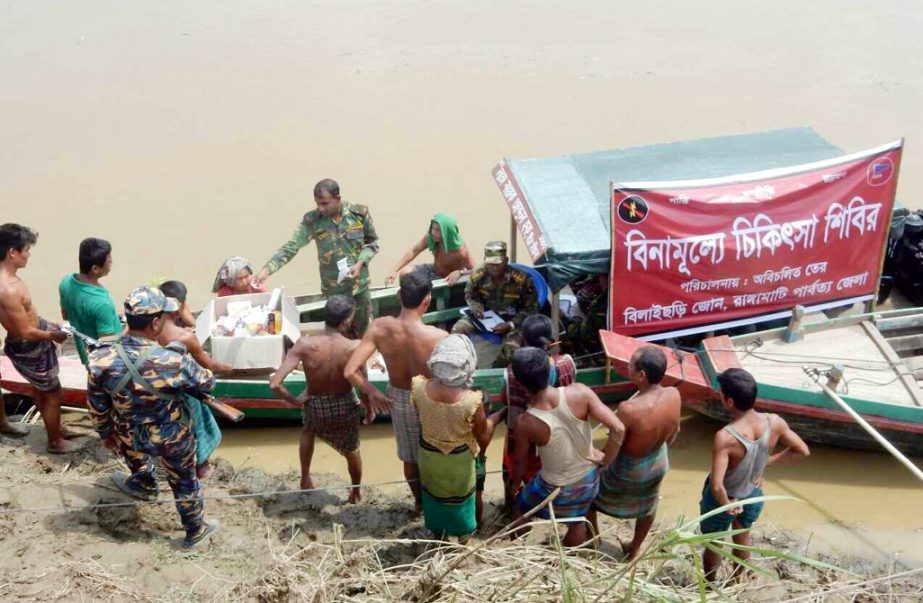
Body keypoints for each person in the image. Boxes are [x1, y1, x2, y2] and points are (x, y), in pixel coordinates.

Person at [87, 286, 219, 548]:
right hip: (171, 437)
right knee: (184, 483)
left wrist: (106, 434)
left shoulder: (100, 358)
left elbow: (97, 405)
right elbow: (208, 384)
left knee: (135, 453)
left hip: (128, 433)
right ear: (156, 322)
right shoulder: (172, 359)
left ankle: (145, 483)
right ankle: (195, 531)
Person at [343, 271, 447, 510]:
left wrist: (372, 392)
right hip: (431, 398)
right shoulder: (439, 337)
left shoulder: (379, 327)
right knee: (439, 453)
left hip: (399, 397)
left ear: (399, 295)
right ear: (427, 300)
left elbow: (350, 371)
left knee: (410, 458)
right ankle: (438, 502)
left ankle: (419, 503)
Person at [700, 368, 810, 582]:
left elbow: (717, 486)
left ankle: (710, 585)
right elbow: (802, 450)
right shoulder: (774, 422)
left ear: (729, 401)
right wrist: (768, 462)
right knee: (742, 538)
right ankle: (736, 580)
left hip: (726, 500)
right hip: (753, 494)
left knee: (714, 543)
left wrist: (728, 504)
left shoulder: (725, 437)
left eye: (721, 393)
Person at [510, 347, 625, 546]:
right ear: (549, 371)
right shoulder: (581, 392)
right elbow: (619, 429)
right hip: (588, 481)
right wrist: (606, 459)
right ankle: (571, 553)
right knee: (576, 521)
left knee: (521, 506)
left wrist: (515, 484)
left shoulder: (525, 422)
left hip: (553, 486)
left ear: (520, 383)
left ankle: (516, 543)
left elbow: (519, 463)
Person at [253, 179, 379, 338]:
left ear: (337, 198)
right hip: (334, 291)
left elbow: (372, 243)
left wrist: (360, 263)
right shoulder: (312, 220)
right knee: (339, 336)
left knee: (365, 332)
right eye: (317, 203)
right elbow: (292, 246)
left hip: (359, 286)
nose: (321, 208)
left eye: (325, 203)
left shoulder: (359, 214)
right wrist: (267, 270)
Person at [588, 346, 681, 560]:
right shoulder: (674, 394)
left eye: (630, 364)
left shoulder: (629, 408)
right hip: (659, 460)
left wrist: (601, 461)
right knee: (648, 506)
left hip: (631, 467)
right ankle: (635, 549)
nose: (627, 366)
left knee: (586, 491)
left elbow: (614, 448)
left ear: (641, 375)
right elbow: (675, 431)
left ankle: (594, 538)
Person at [271, 295, 365, 503]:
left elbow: (275, 384)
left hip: (316, 404)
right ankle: (356, 491)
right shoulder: (355, 346)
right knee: (352, 449)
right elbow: (363, 383)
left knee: (308, 430)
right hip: (345, 405)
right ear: (346, 321)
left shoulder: (304, 344)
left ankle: (305, 479)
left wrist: (295, 401)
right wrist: (369, 407)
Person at [412, 335, 501, 541]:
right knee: (462, 499)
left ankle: (438, 535)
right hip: (459, 461)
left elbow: (422, 413)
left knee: (433, 495)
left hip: (428, 455)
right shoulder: (471, 401)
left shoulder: (418, 387)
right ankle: (462, 540)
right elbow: (480, 432)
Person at [0, 224, 72, 451]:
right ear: (13, 252)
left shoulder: (11, 279)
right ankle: (55, 442)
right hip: (29, 346)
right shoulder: (8, 289)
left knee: (40, 388)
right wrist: (53, 335)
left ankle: (55, 429)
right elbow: (24, 332)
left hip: (31, 340)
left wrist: (51, 324)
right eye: (26, 250)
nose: (28, 255)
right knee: (53, 393)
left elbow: (28, 318)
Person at [158, 280, 232, 480]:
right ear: (181, 306)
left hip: (155, 388)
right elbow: (209, 364)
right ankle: (202, 467)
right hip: (182, 391)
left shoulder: (147, 329)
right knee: (199, 423)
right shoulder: (183, 336)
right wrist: (232, 369)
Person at [501, 314, 576, 509]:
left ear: (523, 340)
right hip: (558, 438)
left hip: (522, 441)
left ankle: (513, 511)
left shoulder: (511, 371)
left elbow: (504, 399)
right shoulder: (566, 363)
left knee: (512, 472)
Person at [451, 241, 538, 368]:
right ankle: (462, 366)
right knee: (456, 331)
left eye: (498, 264)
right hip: (485, 316)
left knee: (511, 351)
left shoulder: (522, 280)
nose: (494, 268)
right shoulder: (478, 275)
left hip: (513, 321)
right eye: (490, 264)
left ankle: (494, 372)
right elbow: (470, 295)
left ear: (506, 260)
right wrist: (476, 307)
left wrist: (510, 324)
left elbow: (532, 309)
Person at [58, 237, 123, 366]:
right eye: (109, 262)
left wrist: (112, 317)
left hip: (87, 356)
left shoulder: (66, 282)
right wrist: (129, 329)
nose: (112, 263)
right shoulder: (102, 303)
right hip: (107, 365)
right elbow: (106, 348)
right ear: (95, 269)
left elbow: (66, 315)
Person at [384, 213, 475, 286]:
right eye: (433, 228)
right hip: (434, 270)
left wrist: (460, 272)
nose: (433, 232)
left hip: (449, 279)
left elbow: (477, 269)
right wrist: (394, 270)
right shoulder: (431, 238)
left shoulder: (460, 250)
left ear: (447, 232)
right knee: (404, 273)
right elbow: (414, 251)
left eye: (438, 230)